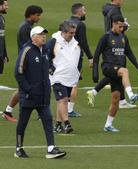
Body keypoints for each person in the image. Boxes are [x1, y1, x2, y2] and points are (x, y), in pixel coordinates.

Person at [14, 26, 66, 158]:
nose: (43, 36)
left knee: (48, 120)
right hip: (29, 96)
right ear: (33, 37)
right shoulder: (26, 50)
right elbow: (18, 73)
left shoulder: (45, 50)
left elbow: (48, 65)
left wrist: (51, 69)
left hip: (43, 95)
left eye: (44, 34)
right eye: (40, 34)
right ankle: (19, 148)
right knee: (23, 122)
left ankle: (51, 148)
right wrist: (29, 89)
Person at [93, 15, 138, 132]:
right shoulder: (105, 37)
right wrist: (95, 71)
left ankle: (108, 125)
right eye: (120, 26)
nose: (121, 29)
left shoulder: (123, 37)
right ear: (114, 24)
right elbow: (96, 54)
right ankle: (131, 95)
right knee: (125, 71)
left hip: (118, 70)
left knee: (115, 99)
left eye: (123, 27)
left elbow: (129, 53)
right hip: (108, 67)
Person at [86, 0, 135, 109]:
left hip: (114, 42)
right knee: (120, 72)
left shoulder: (109, 9)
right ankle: (126, 98)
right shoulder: (115, 11)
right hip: (114, 43)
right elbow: (116, 26)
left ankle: (95, 92)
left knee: (114, 74)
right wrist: (124, 27)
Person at [1, 5, 43, 123]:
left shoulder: (26, 26)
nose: (39, 18)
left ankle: (8, 111)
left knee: (25, 89)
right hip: (26, 63)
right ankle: (40, 112)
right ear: (32, 15)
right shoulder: (26, 28)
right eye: (38, 15)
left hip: (25, 62)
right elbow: (28, 47)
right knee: (31, 88)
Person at [47, 21, 80, 134]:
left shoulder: (74, 42)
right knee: (63, 100)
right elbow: (44, 55)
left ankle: (58, 125)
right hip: (57, 77)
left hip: (70, 77)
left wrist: (77, 71)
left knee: (61, 101)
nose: (73, 35)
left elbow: (78, 58)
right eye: (71, 33)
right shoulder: (54, 41)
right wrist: (50, 67)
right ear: (63, 32)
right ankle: (67, 124)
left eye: (74, 32)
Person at [67, 3, 93, 117]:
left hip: (64, 57)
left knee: (64, 83)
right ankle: (69, 110)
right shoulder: (80, 25)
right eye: (84, 10)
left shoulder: (66, 23)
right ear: (79, 12)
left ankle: (64, 107)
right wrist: (90, 57)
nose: (85, 12)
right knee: (74, 83)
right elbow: (83, 42)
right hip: (75, 57)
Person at [0, 0, 9, 118]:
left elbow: (2, 38)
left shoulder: (2, 18)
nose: (7, 7)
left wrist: (5, 53)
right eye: (5, 5)